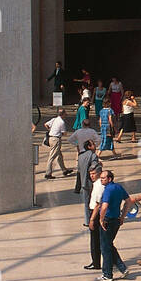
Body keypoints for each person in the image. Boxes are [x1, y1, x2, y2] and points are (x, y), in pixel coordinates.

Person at [73, 139, 104, 271]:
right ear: (89, 146)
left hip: (84, 184)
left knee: (87, 204)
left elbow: (79, 171)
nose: (95, 146)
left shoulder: (80, 156)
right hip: (91, 185)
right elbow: (97, 169)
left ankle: (87, 220)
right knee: (94, 203)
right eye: (93, 145)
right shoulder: (93, 156)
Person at [42, 108, 72, 179]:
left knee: (59, 156)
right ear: (63, 114)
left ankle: (64, 170)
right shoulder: (62, 122)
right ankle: (48, 173)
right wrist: (62, 133)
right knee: (52, 156)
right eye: (65, 114)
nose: (66, 115)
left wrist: (50, 130)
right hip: (56, 139)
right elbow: (64, 133)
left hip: (50, 138)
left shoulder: (54, 119)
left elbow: (45, 124)